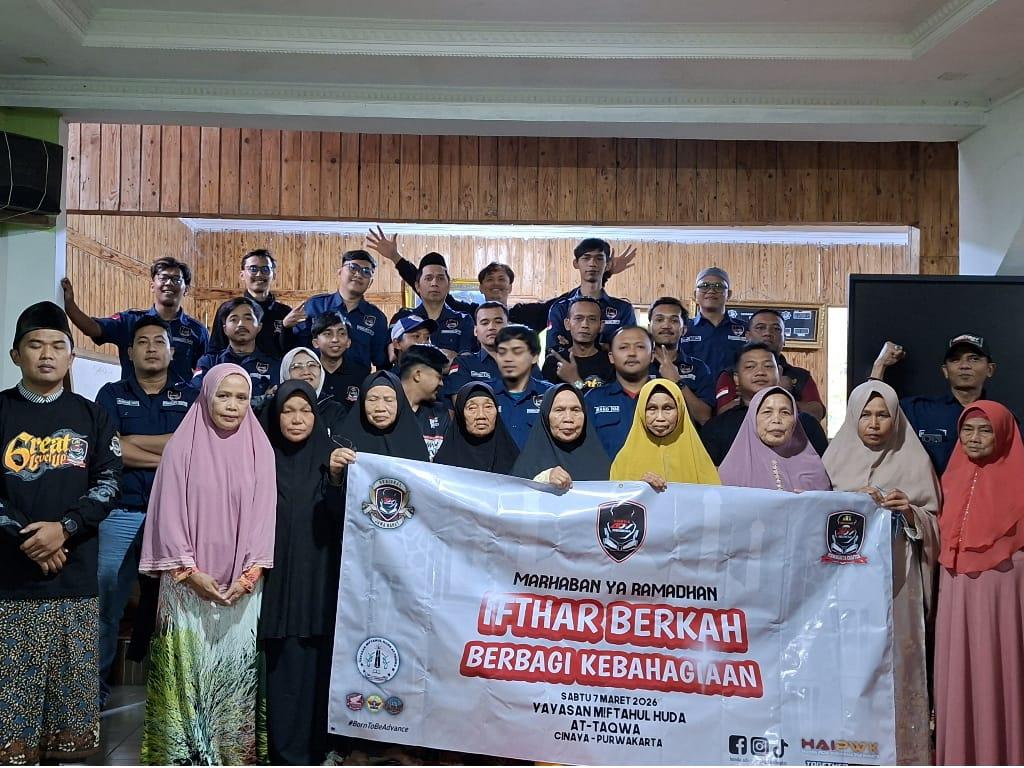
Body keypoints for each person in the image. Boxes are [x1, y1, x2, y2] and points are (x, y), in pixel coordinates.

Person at [0, 301, 121, 765]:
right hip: (11, 581)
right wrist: (30, 539)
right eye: (35, 345)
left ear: (71, 356)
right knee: (12, 709)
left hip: (74, 579)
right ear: (16, 354)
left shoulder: (93, 416)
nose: (46, 354)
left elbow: (109, 483)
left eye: (57, 345)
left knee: (70, 714)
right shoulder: (2, 410)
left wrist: (65, 529)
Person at [138, 364, 277, 765]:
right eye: (223, 395)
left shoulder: (261, 450)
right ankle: (181, 756)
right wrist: (189, 572)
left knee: (232, 675)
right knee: (185, 673)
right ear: (206, 396)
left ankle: (232, 755)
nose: (232, 405)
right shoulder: (181, 448)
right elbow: (167, 515)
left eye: (241, 398)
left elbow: (265, 516)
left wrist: (249, 575)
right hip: (186, 586)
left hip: (241, 588)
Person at [823, 381, 939, 766]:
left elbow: (935, 524)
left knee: (894, 665)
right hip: (843, 587)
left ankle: (899, 752)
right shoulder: (832, 460)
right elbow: (812, 520)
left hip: (897, 583)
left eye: (882, 415)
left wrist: (911, 512)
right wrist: (848, 501)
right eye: (865, 415)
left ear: (896, 419)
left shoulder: (914, 460)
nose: (873, 424)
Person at [93, 316, 197, 709]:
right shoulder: (110, 394)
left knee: (178, 606)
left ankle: (174, 698)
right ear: (130, 351)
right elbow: (110, 448)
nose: (151, 347)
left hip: (176, 516)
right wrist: (169, 454)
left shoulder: (190, 396)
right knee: (105, 601)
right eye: (142, 341)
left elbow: (193, 447)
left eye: (159, 341)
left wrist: (132, 441)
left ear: (172, 351)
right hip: (121, 512)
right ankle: (93, 693)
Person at [258, 380, 354, 766]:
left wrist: (335, 479)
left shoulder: (332, 458)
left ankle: (317, 749)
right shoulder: (260, 457)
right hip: (273, 581)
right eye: (288, 410)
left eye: (305, 411)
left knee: (316, 665)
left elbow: (341, 518)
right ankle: (282, 752)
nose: (297, 419)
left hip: (319, 582)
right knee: (281, 666)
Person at [934, 400, 1024, 766]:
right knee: (958, 671)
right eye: (967, 430)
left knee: (1000, 670)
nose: (974, 438)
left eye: (985, 430)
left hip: (1004, 588)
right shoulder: (950, 478)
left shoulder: (1019, 478)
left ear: (1003, 434)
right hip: (956, 587)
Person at [366, 227, 637, 333]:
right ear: (480, 287)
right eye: (490, 279)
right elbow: (430, 289)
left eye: (502, 279)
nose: (496, 283)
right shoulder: (469, 314)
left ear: (511, 285)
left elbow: (570, 299)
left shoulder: (527, 314)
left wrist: (604, 273)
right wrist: (396, 258)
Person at [871, 333, 1020, 474]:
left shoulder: (1003, 420)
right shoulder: (918, 410)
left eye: (974, 359)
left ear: (990, 369)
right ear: (945, 371)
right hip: (928, 492)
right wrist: (879, 366)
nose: (964, 365)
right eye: (955, 360)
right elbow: (870, 410)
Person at [61, 256, 209, 383]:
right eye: (163, 278)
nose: (169, 283)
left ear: (186, 289)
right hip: (131, 403)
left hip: (179, 405)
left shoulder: (197, 331)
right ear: (152, 285)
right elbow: (93, 329)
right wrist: (70, 306)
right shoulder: (129, 321)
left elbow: (205, 370)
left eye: (176, 279)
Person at [701, 342, 829, 466]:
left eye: (768, 366)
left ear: (779, 373)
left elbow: (823, 470)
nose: (760, 372)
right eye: (750, 367)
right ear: (736, 378)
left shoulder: (806, 424)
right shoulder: (717, 427)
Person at [288, 250, 389, 379]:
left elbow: (381, 362)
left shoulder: (377, 318)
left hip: (357, 385)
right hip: (316, 382)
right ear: (340, 272)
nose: (358, 274)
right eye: (353, 268)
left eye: (366, 271)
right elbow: (296, 347)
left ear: (370, 282)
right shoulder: (315, 305)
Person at [610, 379, 720, 491]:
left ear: (680, 410)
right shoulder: (623, 461)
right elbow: (616, 499)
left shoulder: (698, 458)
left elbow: (714, 497)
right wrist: (640, 489)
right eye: (651, 408)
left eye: (668, 408)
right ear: (641, 410)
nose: (660, 418)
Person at [715, 308, 825, 420]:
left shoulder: (800, 375)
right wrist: (770, 390)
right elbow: (723, 414)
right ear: (747, 336)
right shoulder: (731, 374)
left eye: (776, 329)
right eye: (760, 328)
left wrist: (782, 396)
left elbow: (817, 412)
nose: (768, 333)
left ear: (785, 339)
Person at [718, 386, 831, 491]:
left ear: (795, 420)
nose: (776, 420)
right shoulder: (732, 469)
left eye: (785, 412)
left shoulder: (813, 467)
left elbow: (824, 503)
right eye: (767, 412)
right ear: (753, 419)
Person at [512, 384, 611, 488]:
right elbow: (514, 494)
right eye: (559, 410)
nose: (568, 418)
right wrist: (543, 479)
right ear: (546, 415)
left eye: (575, 410)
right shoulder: (528, 463)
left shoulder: (601, 463)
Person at [545, 238, 636, 350]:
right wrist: (608, 347)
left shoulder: (623, 309)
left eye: (599, 258)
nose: (592, 263)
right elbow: (552, 352)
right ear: (576, 263)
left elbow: (629, 350)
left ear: (608, 265)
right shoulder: (560, 308)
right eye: (586, 258)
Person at [208, 249, 292, 358]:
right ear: (242, 275)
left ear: (274, 275)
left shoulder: (285, 313)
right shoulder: (228, 309)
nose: (259, 274)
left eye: (265, 269)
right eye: (253, 269)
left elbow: (292, 353)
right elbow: (215, 350)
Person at [586, 326, 655, 460]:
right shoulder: (593, 399)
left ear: (652, 355)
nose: (632, 353)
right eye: (623, 347)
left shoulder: (666, 397)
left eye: (640, 347)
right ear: (611, 357)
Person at [193, 297, 280, 401]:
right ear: (225, 329)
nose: (241, 324)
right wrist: (261, 400)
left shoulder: (275, 365)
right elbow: (197, 396)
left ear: (259, 327)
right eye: (234, 319)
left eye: (248, 318)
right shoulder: (209, 362)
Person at [391, 252, 474, 359]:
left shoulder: (464, 320)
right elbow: (391, 356)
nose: (434, 283)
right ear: (417, 286)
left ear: (449, 285)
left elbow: (467, 360)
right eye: (428, 278)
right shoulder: (403, 319)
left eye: (440, 278)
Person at [647, 296, 714, 425]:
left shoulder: (699, 368)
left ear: (683, 330)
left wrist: (677, 381)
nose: (666, 326)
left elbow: (704, 417)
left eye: (674, 320)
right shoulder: (639, 365)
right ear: (650, 328)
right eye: (659, 319)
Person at [338, 371, 430, 462]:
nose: (380, 408)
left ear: (400, 403)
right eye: (372, 399)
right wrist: (335, 469)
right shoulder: (346, 441)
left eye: (389, 400)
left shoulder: (414, 442)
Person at [434, 382, 520, 474]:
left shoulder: (513, 459)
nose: (481, 415)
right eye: (472, 408)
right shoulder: (444, 462)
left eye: (488, 407)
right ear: (460, 414)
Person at [679, 266, 747, 379]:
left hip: (733, 390)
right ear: (695, 294)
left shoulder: (746, 330)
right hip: (691, 390)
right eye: (704, 286)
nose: (711, 291)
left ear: (729, 294)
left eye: (718, 286)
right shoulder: (683, 329)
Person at [491, 325, 552, 449]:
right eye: (502, 352)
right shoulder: (483, 393)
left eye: (517, 352)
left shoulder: (550, 395)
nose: (508, 359)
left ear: (535, 356)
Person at [542, 296, 615, 391]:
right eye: (578, 318)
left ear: (601, 326)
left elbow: (606, 400)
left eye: (592, 319)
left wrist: (575, 381)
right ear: (567, 324)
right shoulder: (554, 362)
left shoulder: (610, 363)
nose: (585, 325)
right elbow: (546, 398)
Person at [398, 344, 452, 460]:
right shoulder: (385, 410)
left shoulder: (440, 413)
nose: (441, 384)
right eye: (438, 377)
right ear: (418, 375)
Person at [278, 347, 348, 435]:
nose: (306, 372)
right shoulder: (273, 407)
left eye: (312, 365)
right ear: (285, 373)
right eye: (297, 366)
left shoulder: (335, 410)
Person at [444, 301, 508, 396]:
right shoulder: (464, 363)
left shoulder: (524, 362)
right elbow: (460, 402)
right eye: (484, 323)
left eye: (498, 322)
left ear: (509, 328)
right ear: (475, 331)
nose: (491, 327)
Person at [310, 311, 362, 413]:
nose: (335, 339)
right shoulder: (308, 374)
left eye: (341, 334)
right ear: (316, 343)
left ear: (349, 342)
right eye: (328, 334)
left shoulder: (361, 374)